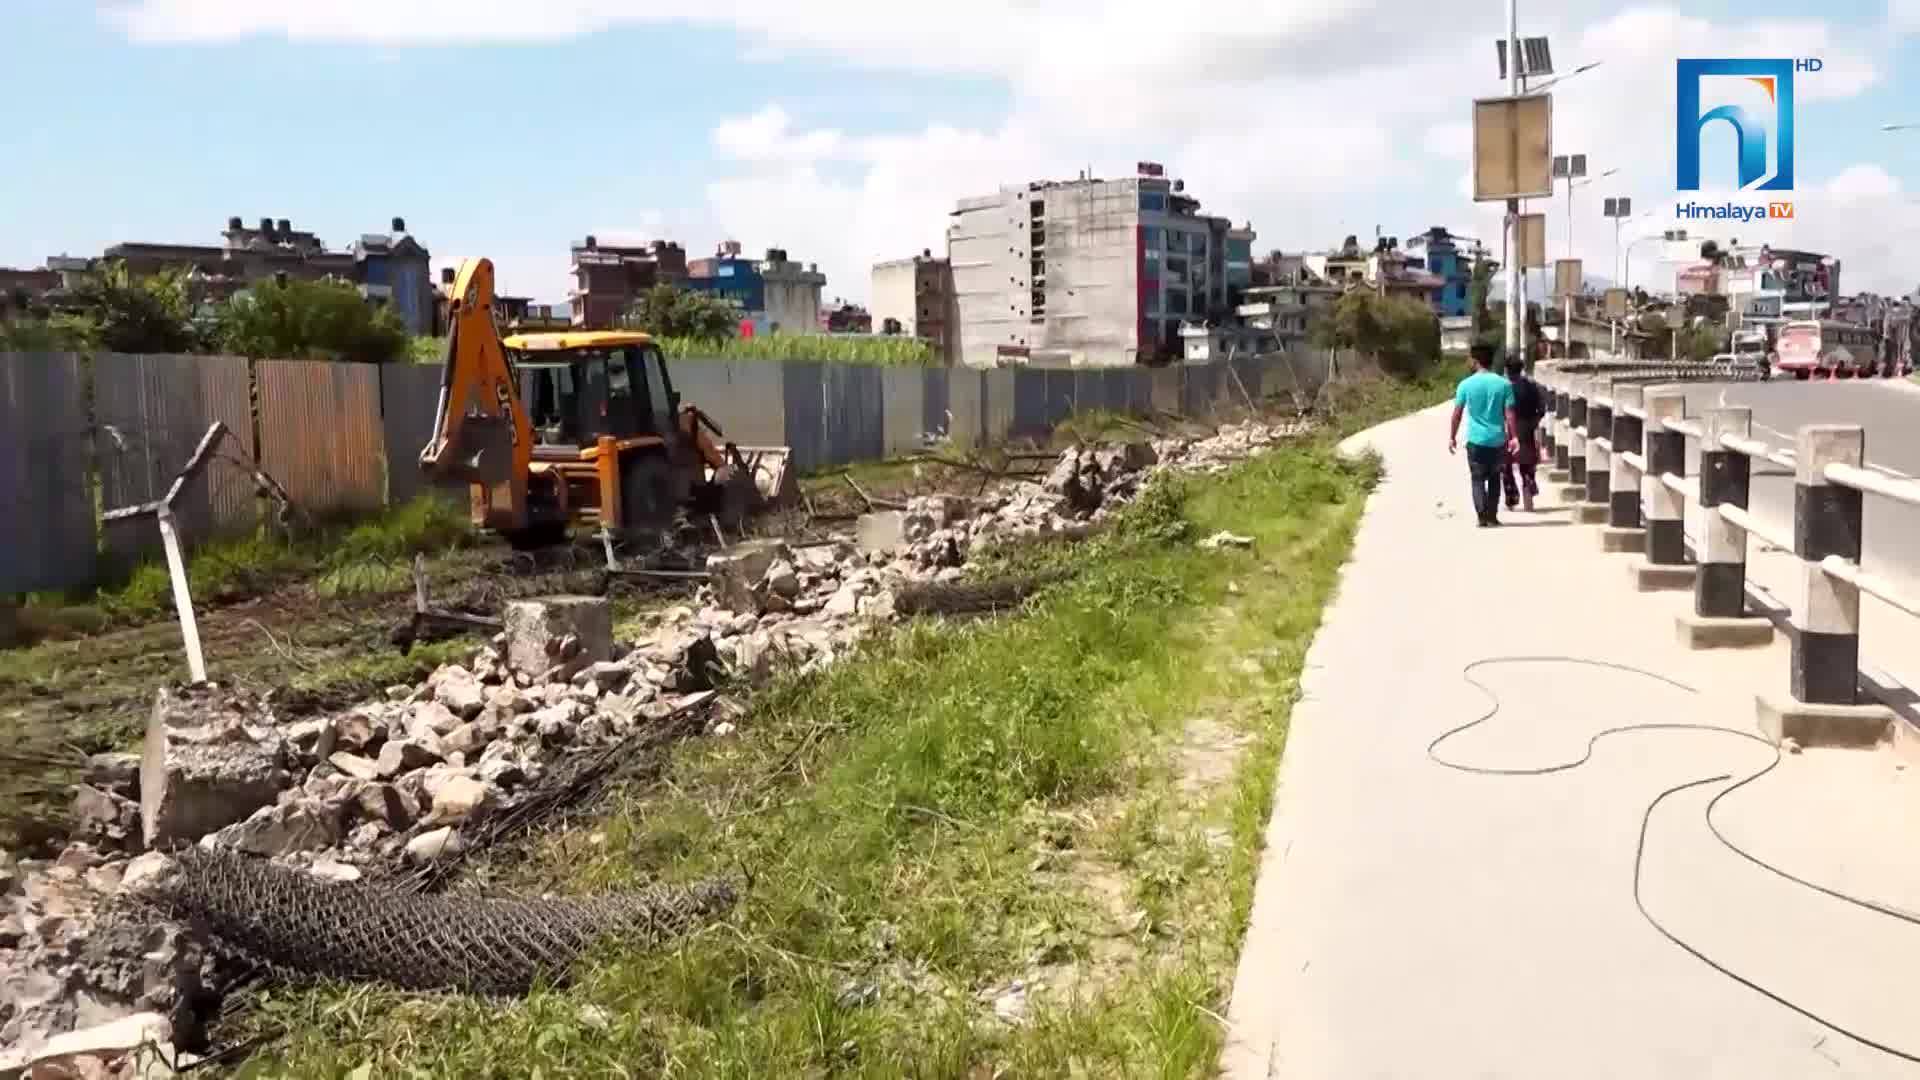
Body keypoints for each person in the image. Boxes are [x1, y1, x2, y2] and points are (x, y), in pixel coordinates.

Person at [1447, 344, 1519, 527]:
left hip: (1476, 440)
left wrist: (1452, 436)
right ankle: (1493, 516)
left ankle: (1482, 515)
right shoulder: (1504, 384)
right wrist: (1514, 437)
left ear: (1475, 361)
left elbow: (1457, 413)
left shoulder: (1465, 385)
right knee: (1495, 478)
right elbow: (1510, 413)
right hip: (1497, 440)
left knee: (1477, 478)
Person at [1502, 358, 1546, 512]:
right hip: (1526, 427)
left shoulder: (1503, 387)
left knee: (1506, 464)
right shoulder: (1531, 386)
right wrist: (1534, 422)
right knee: (1526, 462)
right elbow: (1541, 408)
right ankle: (1528, 483)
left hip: (1507, 427)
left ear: (1507, 370)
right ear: (1521, 369)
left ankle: (1511, 496)